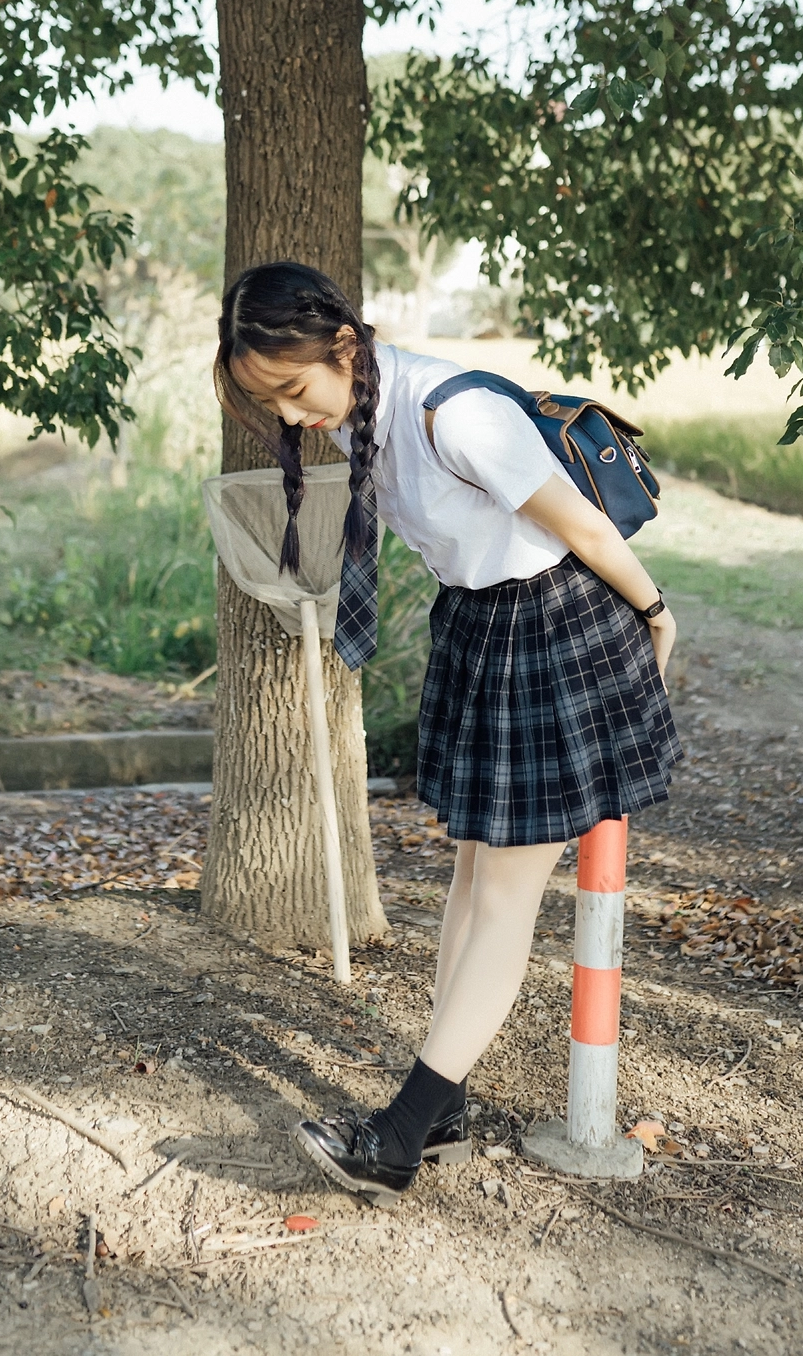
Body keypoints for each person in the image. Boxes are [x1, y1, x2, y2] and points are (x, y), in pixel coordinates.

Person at [215, 260, 680, 1205]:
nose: (299, 417)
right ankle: (442, 1108)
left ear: (346, 346)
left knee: (506, 896)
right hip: (483, 625)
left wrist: (658, 612)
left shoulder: (452, 413)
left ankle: (396, 1138)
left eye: (299, 390)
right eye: (278, 403)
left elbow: (585, 530)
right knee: (473, 877)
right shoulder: (366, 415)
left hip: (557, 626)